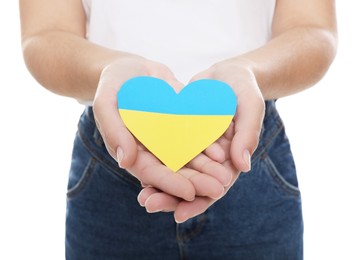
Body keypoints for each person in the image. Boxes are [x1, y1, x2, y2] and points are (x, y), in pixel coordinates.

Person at [19, 0, 337, 259]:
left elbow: (312, 30)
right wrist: (108, 70)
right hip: (110, 154)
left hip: (248, 146)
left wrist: (248, 72)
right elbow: (46, 34)